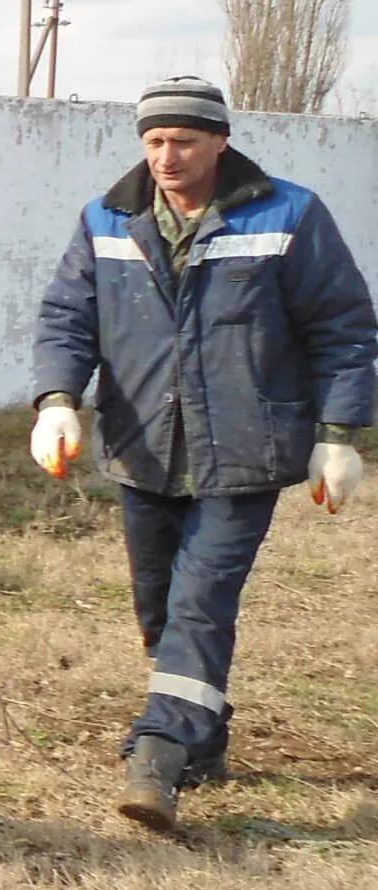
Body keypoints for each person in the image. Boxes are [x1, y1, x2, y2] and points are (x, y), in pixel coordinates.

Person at [32, 75, 373, 833]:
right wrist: (57, 399)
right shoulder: (107, 218)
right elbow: (67, 316)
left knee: (200, 602)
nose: (166, 155)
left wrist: (340, 436)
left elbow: (344, 327)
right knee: (160, 609)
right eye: (153, 141)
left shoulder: (290, 214)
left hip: (246, 451)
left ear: (221, 140)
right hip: (142, 447)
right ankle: (204, 734)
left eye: (183, 140)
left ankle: (157, 753)